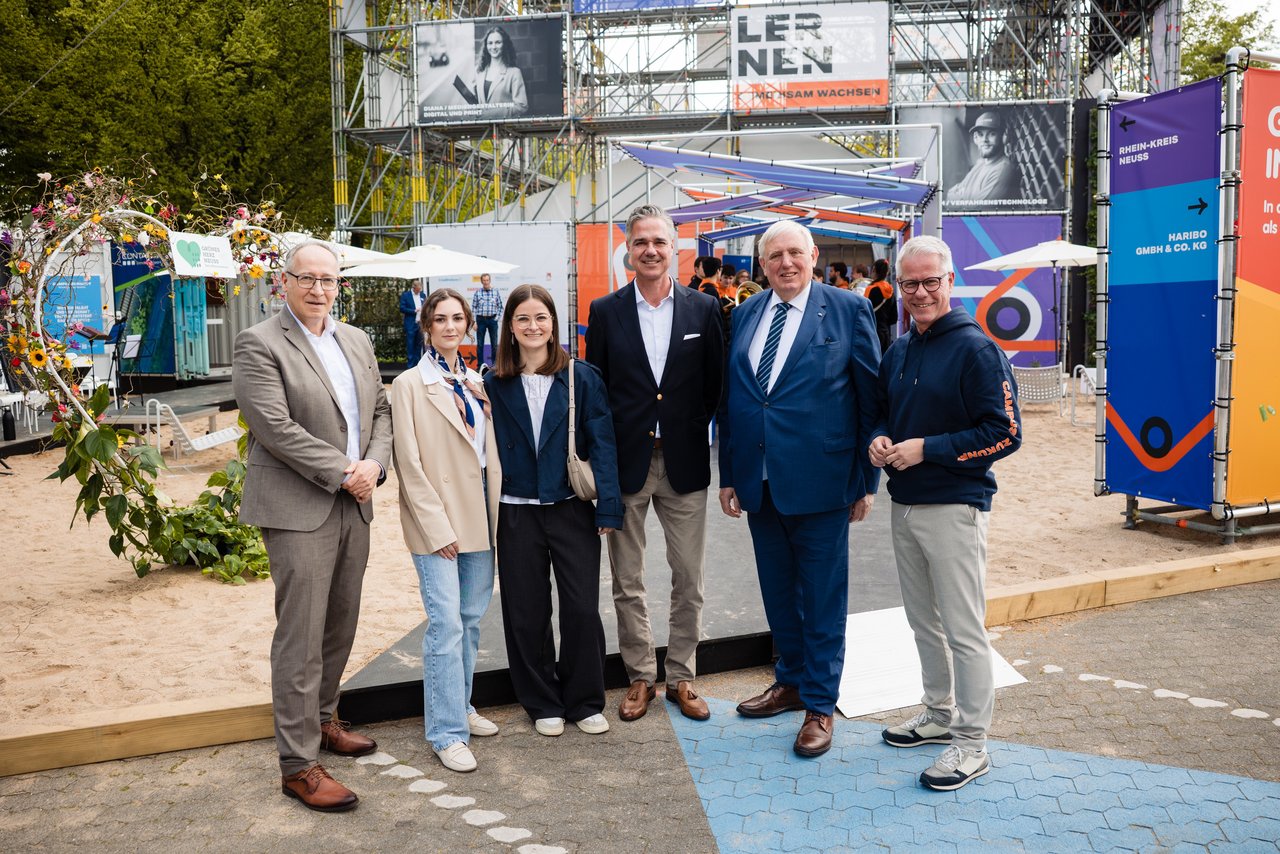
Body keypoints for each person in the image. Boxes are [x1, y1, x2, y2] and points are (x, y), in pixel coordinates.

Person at [233, 241, 392, 812]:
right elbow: (272, 426)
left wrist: (374, 465)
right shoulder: (260, 342)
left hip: (356, 500)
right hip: (300, 505)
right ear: (286, 281)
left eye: (328, 279)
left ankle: (324, 718)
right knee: (299, 636)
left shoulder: (356, 339)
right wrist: (347, 470)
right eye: (308, 278)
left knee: (340, 623)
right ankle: (298, 765)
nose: (319, 289)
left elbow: (380, 410)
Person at [718, 220, 880, 758]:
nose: (785, 263)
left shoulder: (848, 309)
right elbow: (735, 399)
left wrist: (866, 480)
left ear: (813, 255)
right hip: (760, 482)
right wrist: (730, 475)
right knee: (778, 591)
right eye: (774, 256)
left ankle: (819, 703)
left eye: (795, 253)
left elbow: (868, 399)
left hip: (824, 481)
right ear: (761, 265)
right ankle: (789, 681)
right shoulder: (744, 314)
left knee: (823, 597)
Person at [869, 235, 1022, 791]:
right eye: (909, 283)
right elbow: (881, 413)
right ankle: (938, 714)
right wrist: (880, 439)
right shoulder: (900, 349)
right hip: (905, 504)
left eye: (931, 281)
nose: (920, 292)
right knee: (922, 622)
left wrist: (925, 448)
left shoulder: (977, 350)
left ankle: (972, 743)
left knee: (963, 630)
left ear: (950, 281)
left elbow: (1005, 433)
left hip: (955, 506)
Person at [586, 205, 724, 724]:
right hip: (627, 465)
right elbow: (596, 393)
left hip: (684, 463)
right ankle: (640, 676)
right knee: (627, 580)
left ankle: (683, 677)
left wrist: (686, 429)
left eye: (659, 242)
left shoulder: (703, 310)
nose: (650, 250)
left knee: (689, 577)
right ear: (628, 249)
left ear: (675, 248)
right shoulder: (605, 311)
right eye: (641, 242)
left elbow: (714, 389)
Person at [484, 284, 623, 737]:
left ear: (553, 324)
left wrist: (608, 509)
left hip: (570, 508)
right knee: (526, 611)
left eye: (540, 318)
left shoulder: (582, 377)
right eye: (522, 319)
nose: (532, 326)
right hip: (516, 511)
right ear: (509, 326)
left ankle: (584, 700)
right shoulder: (491, 383)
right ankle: (541, 700)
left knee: (582, 607)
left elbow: (602, 444)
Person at [391, 288, 501, 774]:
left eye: (458, 318)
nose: (451, 326)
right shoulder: (410, 385)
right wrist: (437, 527)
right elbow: (408, 465)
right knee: (446, 623)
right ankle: (445, 732)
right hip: (436, 516)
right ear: (426, 326)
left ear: (469, 324)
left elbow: (486, 455)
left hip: (480, 510)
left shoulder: (476, 380)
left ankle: (461, 705)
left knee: (472, 618)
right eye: (441, 319)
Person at [948, 111, 1023, 202]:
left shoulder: (1003, 169)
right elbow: (949, 195)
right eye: (980, 134)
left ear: (1003, 137)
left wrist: (961, 197)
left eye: (992, 134)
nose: (984, 140)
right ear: (976, 138)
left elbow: (979, 210)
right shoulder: (980, 163)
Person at [476, 26, 527, 119]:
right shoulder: (480, 72)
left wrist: (490, 114)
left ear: (504, 45)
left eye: (498, 42)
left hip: (504, 130)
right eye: (490, 43)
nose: (493, 47)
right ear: (486, 46)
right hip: (482, 130)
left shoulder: (514, 73)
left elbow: (521, 107)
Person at [471, 274, 503, 368]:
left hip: (492, 320)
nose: (486, 282)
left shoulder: (496, 292)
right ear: (481, 281)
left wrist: (496, 319)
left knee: (494, 344)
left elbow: (500, 307)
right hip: (481, 320)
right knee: (480, 344)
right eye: (484, 280)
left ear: (490, 280)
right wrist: (474, 322)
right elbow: (473, 308)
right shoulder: (478, 293)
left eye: (487, 280)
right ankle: (480, 365)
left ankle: (495, 365)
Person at [865, 258, 896, 354]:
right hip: (886, 334)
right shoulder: (890, 291)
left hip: (871, 333)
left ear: (874, 270)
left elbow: (865, 313)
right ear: (887, 272)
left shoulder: (870, 289)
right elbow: (894, 318)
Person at [400, 281, 426, 367]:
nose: (419, 291)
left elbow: (426, 306)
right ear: (413, 288)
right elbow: (402, 308)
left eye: (420, 290)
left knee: (419, 346)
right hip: (411, 324)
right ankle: (410, 368)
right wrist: (413, 311)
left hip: (420, 324)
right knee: (410, 346)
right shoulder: (406, 295)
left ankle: (418, 367)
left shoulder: (422, 295)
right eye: (417, 290)